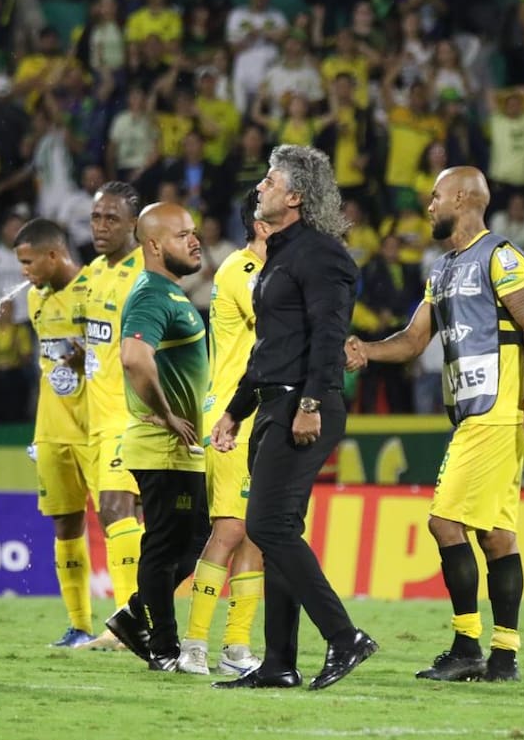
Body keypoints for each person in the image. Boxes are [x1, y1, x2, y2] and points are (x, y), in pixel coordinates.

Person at [346, 165, 524, 684]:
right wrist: (366, 349)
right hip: (473, 411)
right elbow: (416, 341)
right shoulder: (440, 270)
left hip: (497, 409)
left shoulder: (500, 256)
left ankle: (466, 645)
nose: (429, 206)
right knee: (496, 537)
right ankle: (503, 656)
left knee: (444, 521)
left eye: (436, 197)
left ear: (462, 198)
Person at [208, 146, 376, 691]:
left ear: (295, 197)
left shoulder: (322, 255)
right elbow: (269, 350)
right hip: (273, 406)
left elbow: (329, 337)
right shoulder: (278, 257)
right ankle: (279, 663)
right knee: (279, 531)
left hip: (305, 406)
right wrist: (236, 411)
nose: (260, 187)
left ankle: (344, 636)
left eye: (270, 180)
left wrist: (309, 404)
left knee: (267, 526)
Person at [104, 202, 210, 672]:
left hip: (182, 448)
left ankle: (133, 615)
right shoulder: (150, 294)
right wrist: (166, 414)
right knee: (166, 547)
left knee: (197, 542)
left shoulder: (172, 294)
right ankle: (164, 648)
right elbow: (133, 357)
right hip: (163, 446)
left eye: (194, 232)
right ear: (153, 245)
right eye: (182, 234)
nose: (195, 240)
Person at [176, 199, 270, 677]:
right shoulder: (242, 267)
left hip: (261, 412)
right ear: (261, 223)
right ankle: (193, 643)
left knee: (256, 534)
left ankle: (236, 647)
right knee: (230, 528)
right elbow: (276, 319)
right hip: (233, 412)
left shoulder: (268, 267)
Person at [16, 218, 98, 648]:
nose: (24, 271)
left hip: (97, 427)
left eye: (29, 262)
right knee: (65, 524)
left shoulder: (94, 290)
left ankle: (132, 624)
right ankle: (80, 625)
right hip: (51, 430)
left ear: (54, 254)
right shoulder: (34, 301)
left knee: (122, 517)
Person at [74, 182, 147, 650]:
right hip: (97, 418)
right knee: (122, 518)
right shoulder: (92, 273)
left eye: (111, 219)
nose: (101, 227)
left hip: (132, 416)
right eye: (97, 217)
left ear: (135, 226)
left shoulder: (146, 275)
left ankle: (129, 625)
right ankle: (141, 618)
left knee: (118, 510)